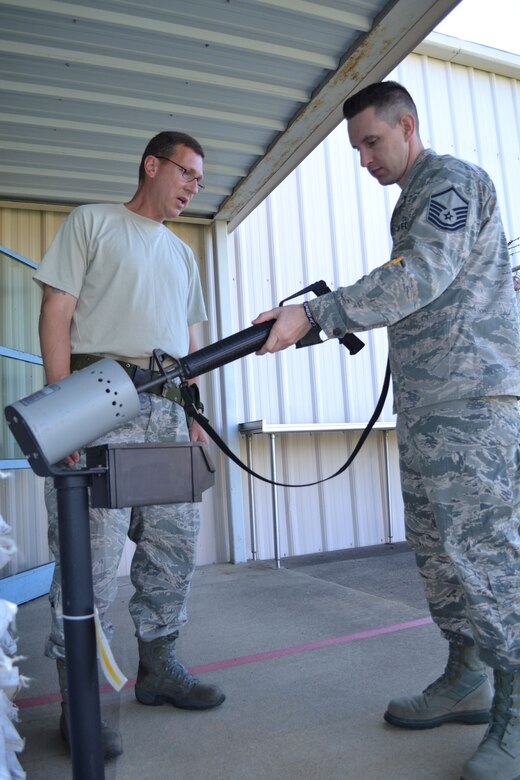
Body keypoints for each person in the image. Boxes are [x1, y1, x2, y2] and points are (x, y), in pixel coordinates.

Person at [252, 81, 520, 780]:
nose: (365, 158)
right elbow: (413, 282)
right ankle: (467, 675)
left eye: (373, 142)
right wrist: (303, 319)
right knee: (438, 553)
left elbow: (421, 274)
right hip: (433, 403)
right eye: (357, 148)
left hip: (473, 400)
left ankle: (518, 709)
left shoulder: (449, 181)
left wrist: (317, 316)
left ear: (408, 125)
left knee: (487, 558)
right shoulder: (414, 199)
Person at [33, 130, 225, 761]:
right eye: (188, 173)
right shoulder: (92, 223)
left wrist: (195, 417)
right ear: (152, 164)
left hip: (170, 414)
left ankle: (160, 670)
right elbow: (57, 312)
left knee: (172, 548)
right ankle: (78, 703)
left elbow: (187, 346)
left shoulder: (182, 254)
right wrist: (61, 414)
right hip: (101, 405)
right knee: (89, 562)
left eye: (200, 179)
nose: (195, 186)